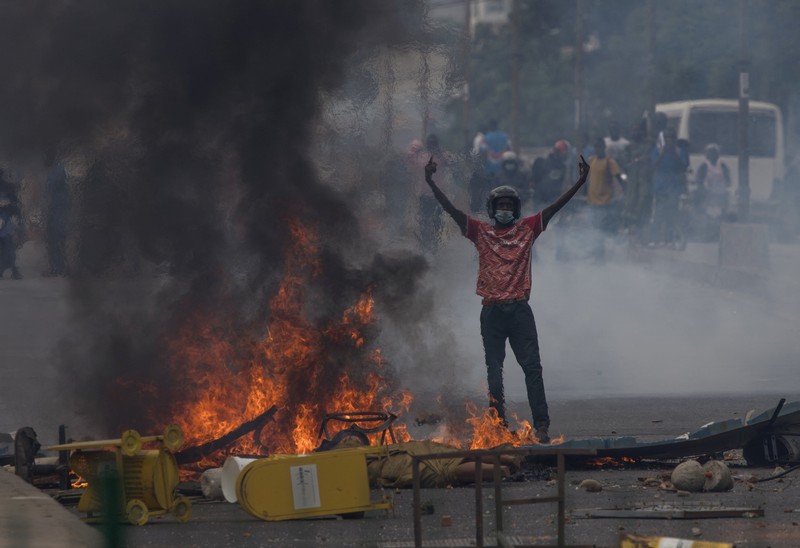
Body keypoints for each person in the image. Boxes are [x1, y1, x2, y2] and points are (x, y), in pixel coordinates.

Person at [424, 154, 591, 443]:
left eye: (508, 206)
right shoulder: (480, 232)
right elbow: (450, 210)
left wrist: (580, 182)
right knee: (494, 373)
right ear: (492, 209)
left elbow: (555, 207)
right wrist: (430, 182)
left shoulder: (528, 228)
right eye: (500, 205)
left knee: (532, 369)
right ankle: (497, 425)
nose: (504, 209)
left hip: (519, 311)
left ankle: (541, 427)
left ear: (515, 209)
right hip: (491, 313)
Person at [586, 138, 625, 261]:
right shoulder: (591, 160)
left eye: (600, 147)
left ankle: (600, 256)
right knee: (593, 229)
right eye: (596, 147)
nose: (598, 149)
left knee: (600, 230)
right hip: (592, 201)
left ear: (604, 148)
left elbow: (619, 177)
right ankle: (597, 254)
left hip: (604, 202)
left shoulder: (610, 162)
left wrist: (627, 191)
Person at [650, 127, 688, 247]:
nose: (669, 140)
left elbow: (683, 167)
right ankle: (656, 240)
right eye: (667, 138)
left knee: (672, 215)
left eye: (671, 137)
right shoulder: (657, 150)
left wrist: (674, 153)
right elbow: (653, 165)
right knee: (659, 214)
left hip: (674, 188)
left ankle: (669, 239)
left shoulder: (680, 151)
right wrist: (663, 153)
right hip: (661, 187)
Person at [42, 150, 70, 277]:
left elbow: (51, 185)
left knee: (57, 238)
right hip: (54, 208)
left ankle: (58, 268)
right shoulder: (55, 168)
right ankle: (56, 267)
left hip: (58, 209)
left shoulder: (58, 169)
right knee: (53, 239)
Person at [695, 143, 731, 220]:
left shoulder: (722, 166)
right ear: (707, 155)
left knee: (719, 216)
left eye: (714, 153)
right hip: (708, 195)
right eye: (710, 153)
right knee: (709, 216)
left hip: (721, 195)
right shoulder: (704, 166)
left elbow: (728, 181)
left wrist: (725, 192)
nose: (713, 155)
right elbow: (699, 182)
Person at [531, 140, 571, 209]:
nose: (564, 155)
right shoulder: (541, 162)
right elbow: (534, 182)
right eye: (563, 153)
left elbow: (560, 184)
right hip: (541, 199)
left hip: (553, 200)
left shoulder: (562, 167)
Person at [0, 175, 22, 280]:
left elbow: (14, 203)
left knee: (8, 246)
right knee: (7, 246)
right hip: (5, 220)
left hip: (5, 220)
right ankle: (11, 270)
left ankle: (13, 269)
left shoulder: (7, 186)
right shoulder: (8, 186)